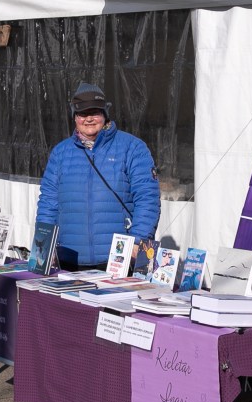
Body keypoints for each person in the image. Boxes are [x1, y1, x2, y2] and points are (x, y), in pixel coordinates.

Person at [36, 82, 161, 269]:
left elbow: (147, 199)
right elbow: (48, 203)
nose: (88, 119)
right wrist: (44, 245)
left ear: (105, 114)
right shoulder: (60, 153)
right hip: (69, 260)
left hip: (119, 261)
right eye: (82, 113)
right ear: (74, 117)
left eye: (94, 112)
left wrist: (138, 241)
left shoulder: (133, 147)